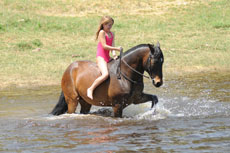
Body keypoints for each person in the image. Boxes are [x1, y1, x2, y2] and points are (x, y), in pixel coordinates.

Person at [87, 16, 122, 100]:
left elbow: (112, 45)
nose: (109, 27)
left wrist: (114, 55)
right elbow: (105, 46)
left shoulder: (112, 33)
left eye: (111, 25)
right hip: (101, 57)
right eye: (108, 25)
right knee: (105, 74)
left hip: (108, 57)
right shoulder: (102, 32)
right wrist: (116, 49)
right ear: (103, 24)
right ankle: (90, 89)